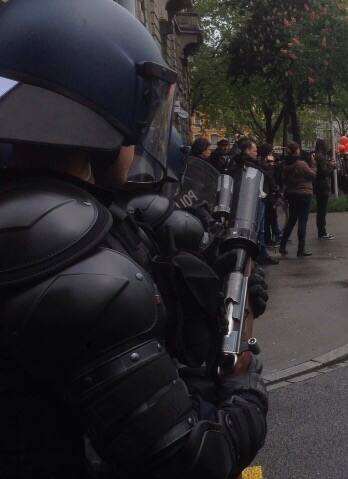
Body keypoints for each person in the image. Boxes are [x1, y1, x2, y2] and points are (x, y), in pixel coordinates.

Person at [0, 1, 267, 477]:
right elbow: (197, 461)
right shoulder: (84, 277)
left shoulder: (41, 224)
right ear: (104, 113)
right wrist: (245, 386)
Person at [278, 142, 316, 257]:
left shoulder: (285, 165)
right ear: (296, 151)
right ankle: (301, 249)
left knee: (291, 220)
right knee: (302, 221)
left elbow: (283, 178)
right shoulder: (301, 164)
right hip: (304, 193)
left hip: (292, 193)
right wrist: (313, 164)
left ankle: (282, 246)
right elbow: (313, 175)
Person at [313, 139, 336, 240]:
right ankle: (322, 232)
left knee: (321, 210)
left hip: (319, 186)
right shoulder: (321, 157)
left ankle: (321, 231)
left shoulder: (317, 156)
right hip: (323, 186)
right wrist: (331, 166)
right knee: (322, 210)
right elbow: (323, 172)